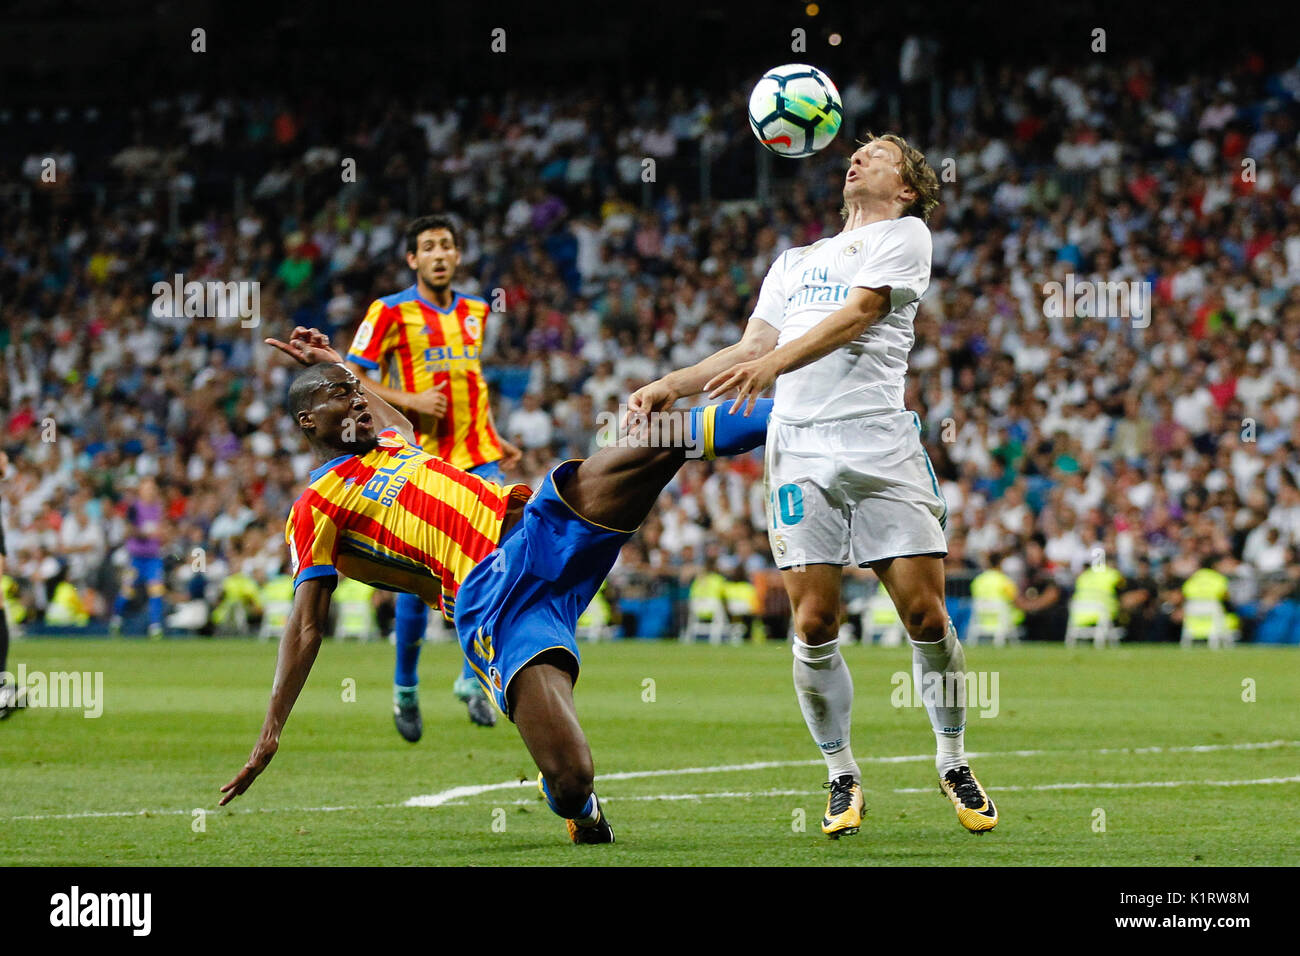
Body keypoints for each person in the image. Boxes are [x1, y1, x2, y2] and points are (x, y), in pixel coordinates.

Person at [219, 327, 770, 844]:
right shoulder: (314, 509)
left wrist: (338, 364)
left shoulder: (392, 442)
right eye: (342, 396)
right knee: (573, 778)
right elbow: (307, 624)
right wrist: (270, 731)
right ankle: (581, 811)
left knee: (662, 437)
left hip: (535, 526)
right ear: (309, 422)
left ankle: (800, 418)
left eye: (357, 392)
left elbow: (404, 425)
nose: (358, 400)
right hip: (494, 603)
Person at [632, 133, 998, 837]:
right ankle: (841, 775)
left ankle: (952, 758)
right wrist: (669, 385)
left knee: (924, 616)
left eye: (880, 154)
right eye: (856, 152)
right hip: (799, 450)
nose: (858, 158)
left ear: (908, 186)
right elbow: (749, 348)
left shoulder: (906, 233)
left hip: (879, 443)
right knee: (812, 622)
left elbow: (860, 313)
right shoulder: (794, 262)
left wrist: (772, 371)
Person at [344, 215, 522, 735]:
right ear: (413, 259)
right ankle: (405, 688)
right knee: (417, 582)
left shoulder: (475, 310)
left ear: (458, 256)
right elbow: (353, 374)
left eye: (447, 245)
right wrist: (410, 400)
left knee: (496, 568)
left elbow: (470, 378)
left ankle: (472, 678)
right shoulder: (390, 311)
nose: (440, 254)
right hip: (422, 460)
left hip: (479, 453)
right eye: (429, 247)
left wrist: (493, 432)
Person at [109, 476, 168, 639]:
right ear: (141, 491)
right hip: (135, 558)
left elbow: (162, 530)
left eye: (152, 488)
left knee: (156, 591)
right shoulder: (134, 508)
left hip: (153, 558)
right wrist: (147, 533)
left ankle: (155, 627)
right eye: (147, 488)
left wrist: (162, 535)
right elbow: (128, 531)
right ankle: (116, 618)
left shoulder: (159, 508)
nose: (150, 491)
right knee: (127, 592)